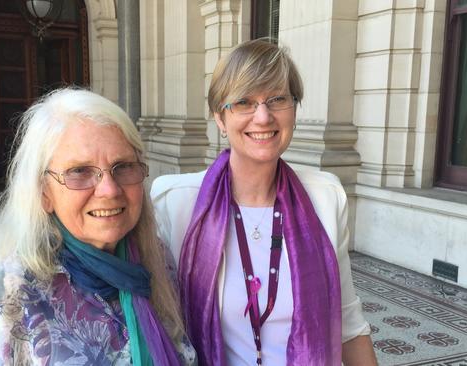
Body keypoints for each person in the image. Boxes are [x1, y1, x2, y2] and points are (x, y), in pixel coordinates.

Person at [151, 39, 377, 365]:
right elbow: (161, 326)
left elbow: (349, 325)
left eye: (277, 99)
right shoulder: (176, 203)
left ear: (295, 108)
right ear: (219, 117)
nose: (263, 116)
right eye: (244, 102)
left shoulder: (325, 198)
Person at [0, 88, 196, 365]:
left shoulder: (156, 262)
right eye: (80, 171)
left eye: (123, 166)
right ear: (44, 193)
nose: (109, 190)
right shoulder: (12, 298)